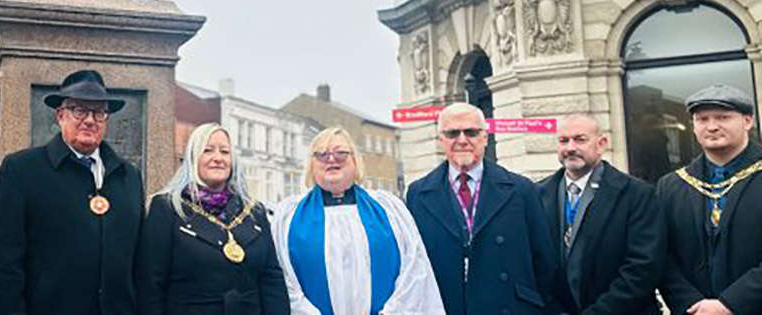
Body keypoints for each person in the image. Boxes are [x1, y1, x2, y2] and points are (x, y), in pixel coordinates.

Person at [0, 69, 143, 314]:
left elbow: (138, 263)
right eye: (79, 110)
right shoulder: (22, 170)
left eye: (99, 112)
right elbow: (4, 263)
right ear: (60, 115)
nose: (90, 120)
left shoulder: (129, 177)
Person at [272, 127, 444, 314]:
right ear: (311, 165)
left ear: (356, 161)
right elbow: (280, 277)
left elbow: (415, 269)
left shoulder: (390, 208)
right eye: (321, 154)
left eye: (341, 153)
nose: (331, 159)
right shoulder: (287, 215)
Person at [406, 102, 557, 315]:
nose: (462, 140)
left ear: (485, 137)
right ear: (441, 140)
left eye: (471, 132)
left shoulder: (521, 190)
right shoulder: (418, 194)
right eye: (452, 133)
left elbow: (545, 263)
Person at [137, 123, 289, 314]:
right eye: (207, 150)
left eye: (225, 152)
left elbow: (271, 278)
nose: (218, 158)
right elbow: (151, 284)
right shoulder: (167, 208)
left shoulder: (254, 211)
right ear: (193, 158)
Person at [537, 113, 665, 314]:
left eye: (580, 139)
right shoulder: (536, 196)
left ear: (601, 144)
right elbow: (533, 265)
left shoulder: (637, 195)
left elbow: (643, 268)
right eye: (563, 140)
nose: (570, 148)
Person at [657, 84, 762, 315]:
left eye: (723, 117)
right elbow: (660, 255)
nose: (712, 127)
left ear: (748, 121)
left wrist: (731, 304)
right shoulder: (671, 186)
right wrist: (691, 304)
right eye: (702, 119)